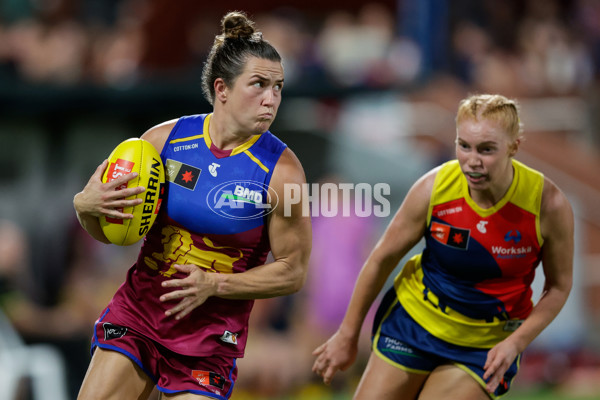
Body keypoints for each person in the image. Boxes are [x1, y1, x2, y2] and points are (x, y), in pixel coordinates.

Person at [73, 11, 311, 400]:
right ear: (222, 89)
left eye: (278, 87)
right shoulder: (163, 141)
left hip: (210, 339)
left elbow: (293, 272)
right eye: (259, 85)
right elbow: (112, 233)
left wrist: (216, 283)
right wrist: (86, 207)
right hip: (139, 315)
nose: (272, 99)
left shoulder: (283, 173)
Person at [312, 94, 574, 399]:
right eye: (464, 146)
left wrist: (516, 342)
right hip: (414, 325)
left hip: (483, 345)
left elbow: (558, 287)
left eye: (487, 150)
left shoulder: (548, 205)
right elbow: (381, 259)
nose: (473, 161)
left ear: (514, 146)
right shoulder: (434, 188)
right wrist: (347, 334)